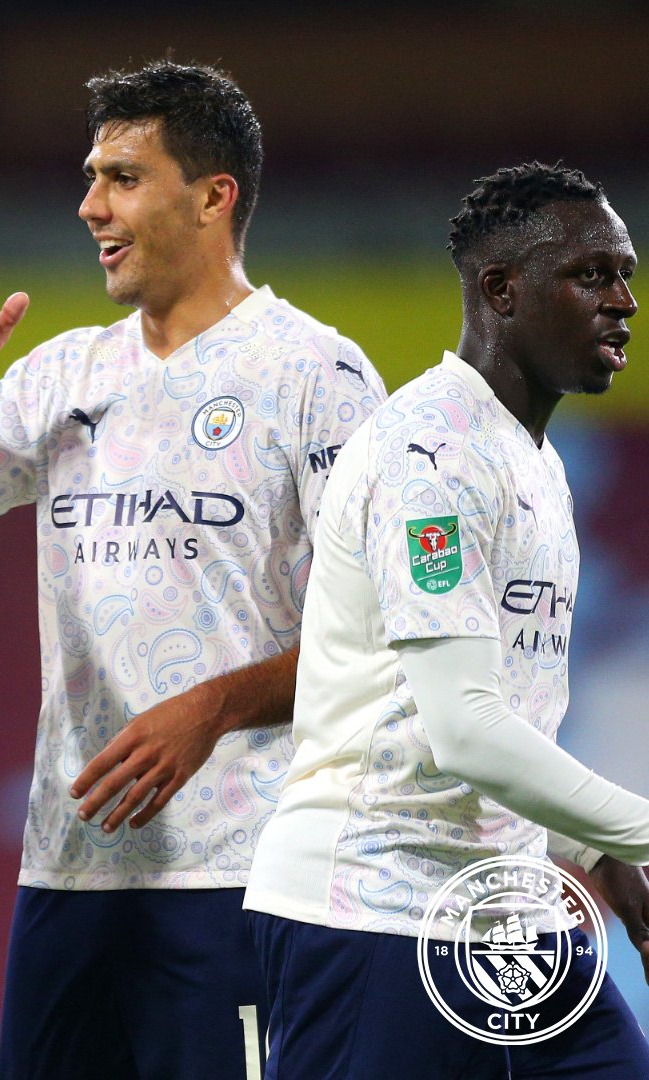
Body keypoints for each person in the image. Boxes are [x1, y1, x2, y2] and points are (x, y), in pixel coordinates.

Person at [0, 61, 386, 1079]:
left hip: (243, 870)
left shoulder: (319, 374)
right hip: (68, 869)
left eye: (124, 178)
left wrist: (213, 707)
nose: (91, 206)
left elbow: (383, 640)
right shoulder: (63, 373)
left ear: (214, 197)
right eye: (92, 178)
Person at [243, 162, 649, 1079]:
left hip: (507, 913)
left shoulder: (533, 460)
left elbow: (510, 713)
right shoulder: (431, 455)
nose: (623, 301)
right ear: (500, 291)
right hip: (372, 911)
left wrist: (599, 853)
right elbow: (464, 731)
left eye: (624, 274)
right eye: (590, 275)